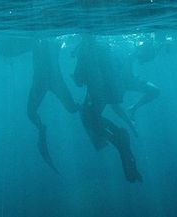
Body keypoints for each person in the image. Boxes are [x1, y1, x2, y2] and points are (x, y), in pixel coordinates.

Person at [72, 35, 142, 182]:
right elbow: (119, 66)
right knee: (93, 118)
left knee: (88, 119)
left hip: (97, 93)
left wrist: (77, 77)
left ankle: (117, 139)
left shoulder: (84, 50)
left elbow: (79, 80)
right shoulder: (105, 47)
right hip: (113, 90)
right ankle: (119, 137)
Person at [26, 37, 79, 173]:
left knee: (31, 113)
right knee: (72, 109)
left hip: (42, 80)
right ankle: (41, 129)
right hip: (53, 79)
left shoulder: (37, 40)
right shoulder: (54, 40)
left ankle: (40, 128)